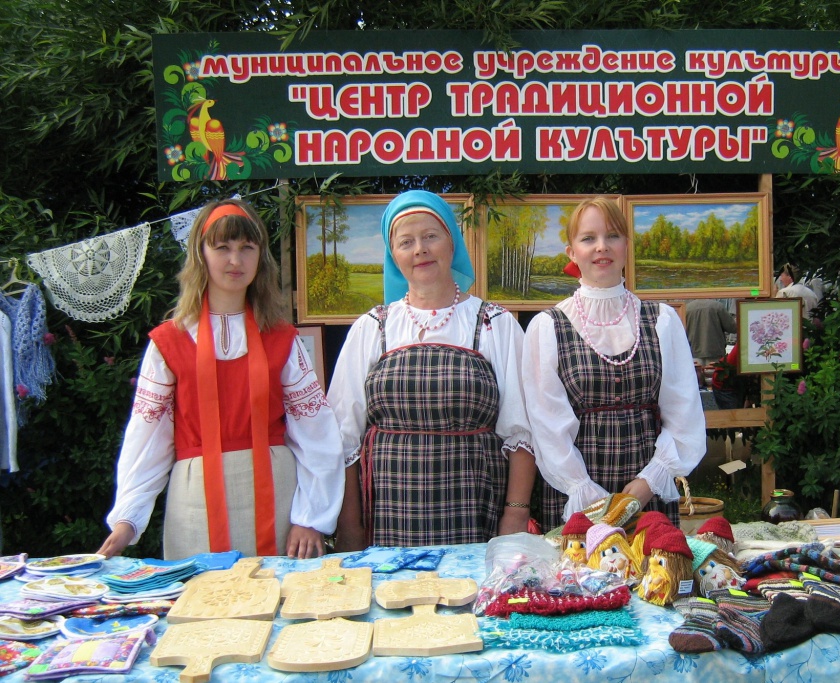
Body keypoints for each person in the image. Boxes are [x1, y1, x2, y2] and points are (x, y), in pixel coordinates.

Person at [98, 198, 345, 561]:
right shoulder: (169, 342)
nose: (235, 260)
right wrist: (127, 518)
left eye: (247, 247)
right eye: (223, 247)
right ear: (200, 254)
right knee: (202, 594)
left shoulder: (282, 339)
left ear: (261, 256)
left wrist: (311, 519)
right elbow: (148, 436)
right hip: (195, 501)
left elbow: (316, 433)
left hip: (277, 498)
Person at [328, 190, 536, 551]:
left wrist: (515, 515)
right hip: (389, 516)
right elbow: (344, 438)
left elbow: (522, 431)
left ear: (452, 243)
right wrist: (350, 525)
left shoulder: (494, 324)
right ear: (393, 255)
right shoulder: (373, 328)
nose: (420, 250)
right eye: (406, 242)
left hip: (474, 511)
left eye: (430, 236)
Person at [522, 197, 706, 532]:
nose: (601, 247)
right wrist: (585, 490)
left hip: (649, 493)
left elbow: (685, 412)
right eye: (588, 238)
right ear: (571, 252)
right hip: (576, 497)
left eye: (612, 236)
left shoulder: (661, 320)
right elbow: (546, 424)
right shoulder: (548, 327)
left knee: (654, 564)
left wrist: (650, 481)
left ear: (626, 246)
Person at [684, 298, 737, 365]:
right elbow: (732, 328)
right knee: (714, 371)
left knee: (696, 371)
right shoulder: (718, 307)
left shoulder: (686, 308)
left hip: (693, 352)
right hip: (715, 352)